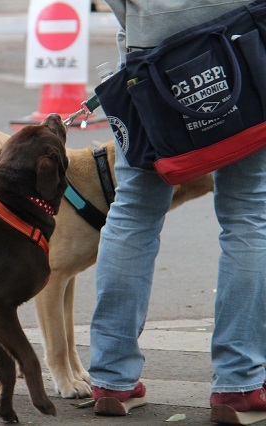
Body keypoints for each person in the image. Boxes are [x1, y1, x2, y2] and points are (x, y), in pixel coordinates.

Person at [89, 1, 266, 424]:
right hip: (240, 37)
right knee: (248, 214)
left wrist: (141, 22)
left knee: (133, 212)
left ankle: (112, 378)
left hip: (150, 53)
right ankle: (239, 384)